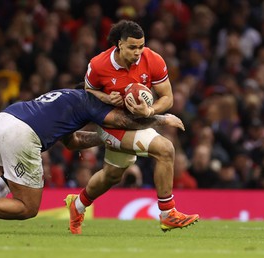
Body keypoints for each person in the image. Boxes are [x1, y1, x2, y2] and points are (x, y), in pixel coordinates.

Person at [0, 87, 184, 233]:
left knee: (7, 178)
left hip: (2, 120)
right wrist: (161, 119)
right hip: (21, 134)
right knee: (27, 207)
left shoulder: (67, 98)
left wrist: (102, 138)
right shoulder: (91, 101)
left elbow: (72, 141)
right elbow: (122, 122)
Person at [64, 20, 199, 234]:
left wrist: (150, 111)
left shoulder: (152, 59)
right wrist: (107, 97)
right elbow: (87, 94)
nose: (138, 52)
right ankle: (167, 213)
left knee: (112, 176)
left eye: (141, 46)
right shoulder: (99, 65)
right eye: (132, 47)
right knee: (165, 149)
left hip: (138, 121)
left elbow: (168, 97)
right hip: (110, 123)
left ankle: (77, 205)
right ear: (119, 44)